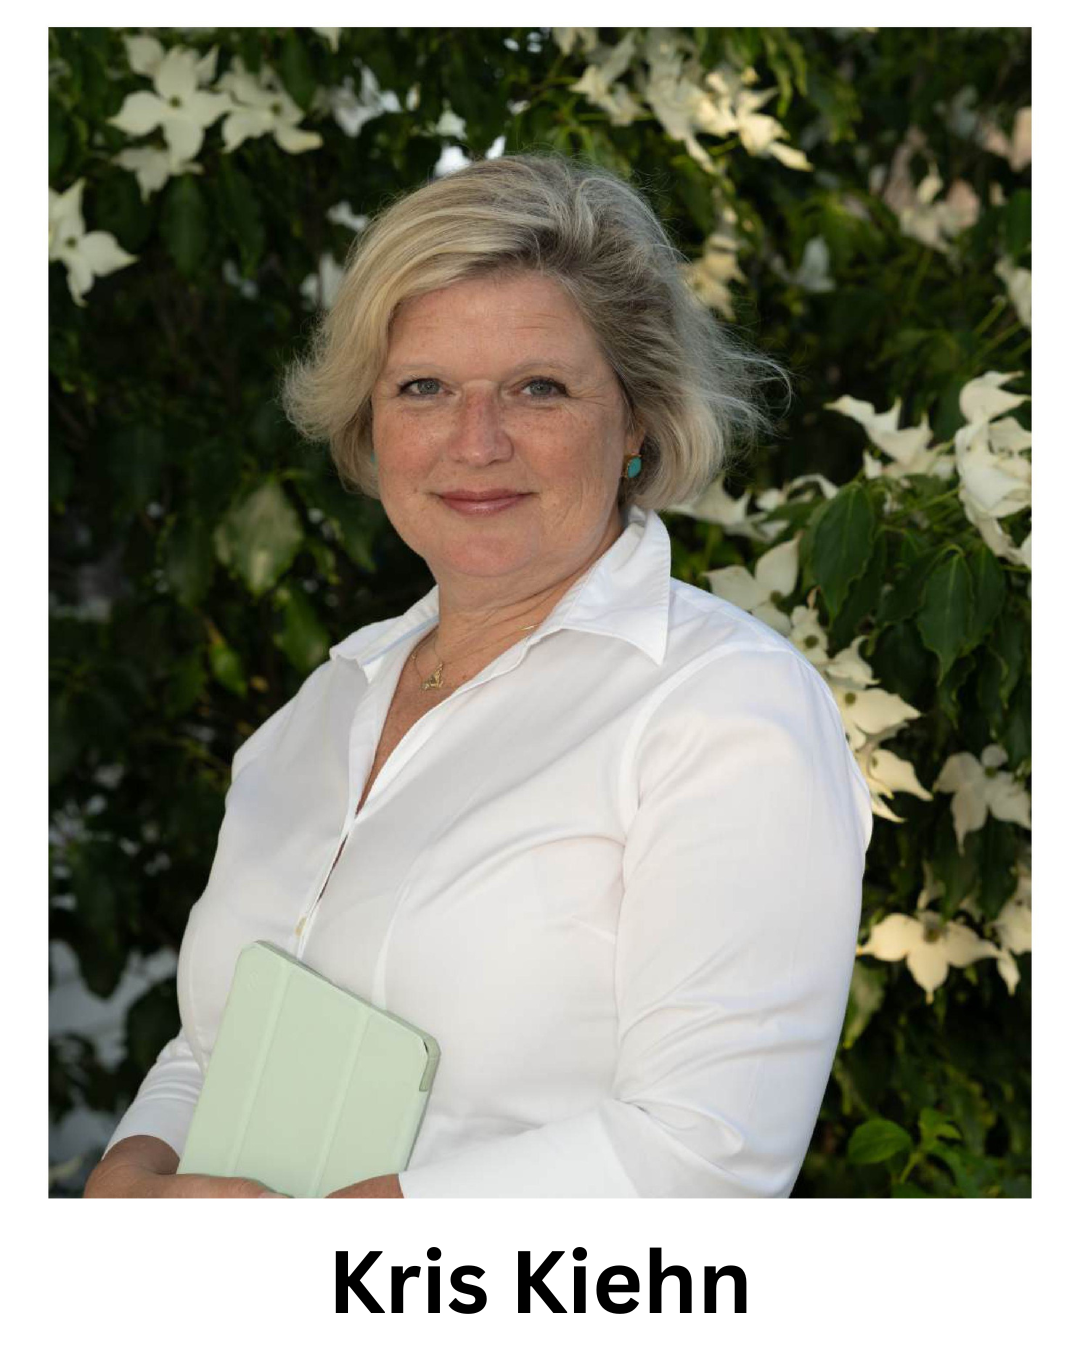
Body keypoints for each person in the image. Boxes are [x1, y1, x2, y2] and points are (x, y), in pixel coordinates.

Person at [84, 152, 872, 1200]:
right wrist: (131, 1174)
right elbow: (218, 1044)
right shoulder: (323, 708)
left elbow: (704, 1159)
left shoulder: (725, 707)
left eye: (538, 389)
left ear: (637, 420)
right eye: (424, 388)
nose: (476, 441)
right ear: (370, 424)